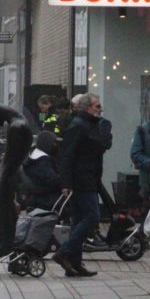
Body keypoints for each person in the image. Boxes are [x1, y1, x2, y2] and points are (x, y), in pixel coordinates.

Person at [53, 93, 107, 277]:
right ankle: (64, 252)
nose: (100, 109)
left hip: (89, 177)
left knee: (78, 220)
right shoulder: (78, 126)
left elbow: (101, 146)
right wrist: (66, 182)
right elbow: (67, 155)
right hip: (81, 179)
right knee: (92, 216)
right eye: (96, 106)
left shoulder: (92, 125)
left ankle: (74, 263)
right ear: (87, 108)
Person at [21, 130, 62, 212]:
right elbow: (53, 180)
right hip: (45, 200)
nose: (56, 146)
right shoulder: (42, 161)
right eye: (54, 143)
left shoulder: (31, 159)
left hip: (34, 199)